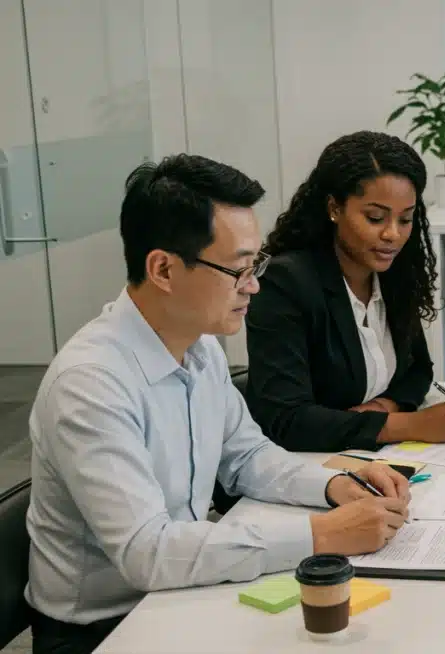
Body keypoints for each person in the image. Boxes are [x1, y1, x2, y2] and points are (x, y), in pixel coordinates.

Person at [23, 154, 412, 654]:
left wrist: (338, 485)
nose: (253, 285)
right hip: (105, 630)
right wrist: (321, 535)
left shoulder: (198, 344)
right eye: (237, 270)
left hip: (177, 594)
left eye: (256, 266)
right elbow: (148, 553)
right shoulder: (91, 385)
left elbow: (247, 456)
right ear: (162, 268)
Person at [245, 131, 445, 452]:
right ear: (334, 208)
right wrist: (408, 425)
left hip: (365, 456)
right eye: (375, 217)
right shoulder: (285, 283)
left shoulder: (392, 271)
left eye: (406, 219)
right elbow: (286, 418)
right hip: (299, 465)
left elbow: (418, 370)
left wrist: (387, 407)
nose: (392, 234)